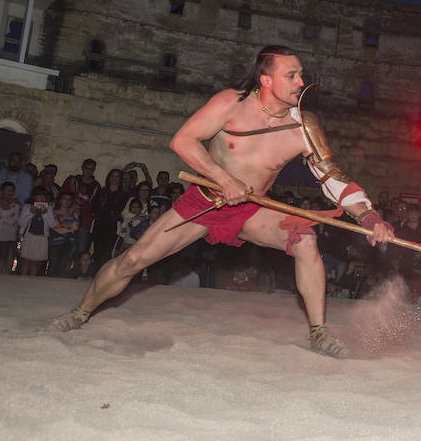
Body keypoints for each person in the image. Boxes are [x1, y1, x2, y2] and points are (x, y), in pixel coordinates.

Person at [47, 45, 393, 358]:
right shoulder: (230, 102)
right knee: (132, 260)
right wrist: (225, 180)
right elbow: (183, 142)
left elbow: (333, 178)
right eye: (292, 75)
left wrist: (369, 218)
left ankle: (319, 332)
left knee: (305, 240)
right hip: (205, 201)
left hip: (254, 208)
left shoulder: (304, 127)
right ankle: (79, 313)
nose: (301, 81)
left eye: (301, 74)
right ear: (266, 79)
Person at [60, 159, 102, 261]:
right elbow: (61, 196)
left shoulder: (96, 186)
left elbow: (96, 205)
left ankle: (76, 273)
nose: (88, 171)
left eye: (91, 169)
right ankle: (62, 272)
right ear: (82, 168)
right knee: (65, 247)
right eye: (87, 168)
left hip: (85, 222)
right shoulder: (72, 181)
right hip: (67, 218)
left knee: (81, 249)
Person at [18, 186, 56, 276]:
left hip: (41, 238)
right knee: (26, 261)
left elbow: (52, 224)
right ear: (34, 197)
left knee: (35, 262)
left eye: (44, 196)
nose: (42, 198)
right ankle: (22, 281)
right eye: (39, 195)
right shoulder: (27, 206)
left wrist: (44, 214)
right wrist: (31, 213)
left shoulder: (49, 208)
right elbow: (20, 222)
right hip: (28, 236)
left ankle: (31, 283)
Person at [48, 192, 80, 277]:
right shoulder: (54, 213)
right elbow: (53, 225)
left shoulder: (74, 214)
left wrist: (62, 225)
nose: (67, 201)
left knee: (63, 264)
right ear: (59, 201)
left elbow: (75, 226)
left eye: (69, 199)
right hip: (55, 243)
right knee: (53, 264)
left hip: (68, 243)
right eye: (65, 198)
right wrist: (66, 217)